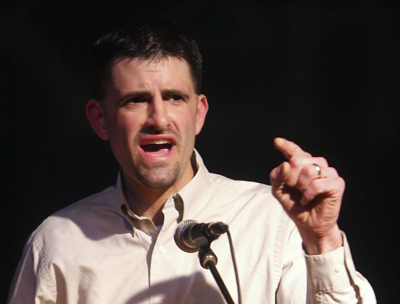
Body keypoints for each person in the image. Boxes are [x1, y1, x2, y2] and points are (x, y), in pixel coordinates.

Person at [7, 21, 375, 304]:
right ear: (99, 119)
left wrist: (322, 239)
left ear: (198, 114)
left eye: (174, 98)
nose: (158, 118)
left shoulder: (272, 219)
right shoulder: (57, 242)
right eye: (135, 100)